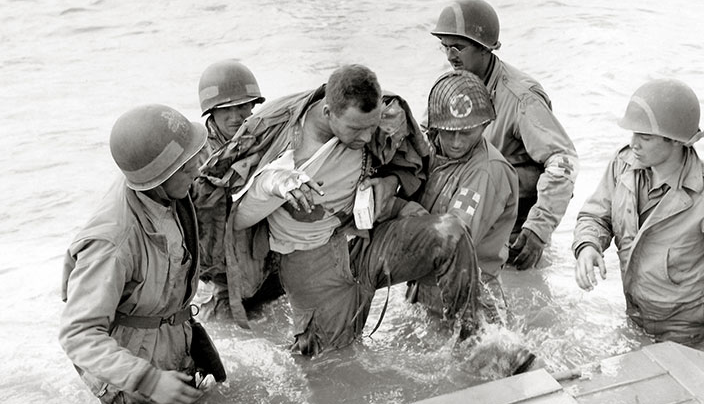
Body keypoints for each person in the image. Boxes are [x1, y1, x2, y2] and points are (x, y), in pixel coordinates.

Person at [232, 64, 481, 355]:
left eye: (371, 127)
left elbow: (406, 157)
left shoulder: (378, 115)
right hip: (314, 269)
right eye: (355, 129)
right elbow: (238, 219)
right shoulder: (289, 149)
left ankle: (474, 343)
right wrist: (276, 184)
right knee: (332, 367)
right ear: (328, 113)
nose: (366, 138)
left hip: (366, 243)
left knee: (450, 234)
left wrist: (390, 181)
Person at [573, 78, 704, 371]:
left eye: (644, 136)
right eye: (633, 132)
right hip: (636, 312)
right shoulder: (624, 165)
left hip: (688, 330)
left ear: (675, 141)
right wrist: (588, 245)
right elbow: (596, 214)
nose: (633, 143)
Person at [60, 105, 222, 404]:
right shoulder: (113, 241)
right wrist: (148, 380)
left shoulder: (159, 188)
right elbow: (78, 334)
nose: (197, 168)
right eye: (186, 166)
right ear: (159, 175)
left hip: (170, 336)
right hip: (132, 365)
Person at [430, 0, 577, 269]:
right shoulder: (448, 86)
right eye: (445, 47)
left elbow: (562, 161)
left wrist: (538, 229)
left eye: (458, 47)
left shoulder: (521, 98)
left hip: (511, 232)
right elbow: (428, 144)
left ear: (485, 48)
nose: (450, 56)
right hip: (462, 218)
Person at [411, 70, 518, 324]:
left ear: (484, 125)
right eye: (449, 132)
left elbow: (454, 239)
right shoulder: (431, 152)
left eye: (466, 132)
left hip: (471, 298)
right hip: (429, 290)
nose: (456, 142)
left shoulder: (487, 172)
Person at [190, 60, 282, 324]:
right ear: (211, 112)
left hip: (265, 267)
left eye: (242, 106)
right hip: (219, 279)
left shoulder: (264, 140)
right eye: (226, 109)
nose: (236, 116)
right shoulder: (195, 155)